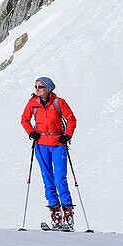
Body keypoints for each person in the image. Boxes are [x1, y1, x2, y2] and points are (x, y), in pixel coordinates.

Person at [20, 76, 77, 229]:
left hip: (58, 144)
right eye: (36, 87)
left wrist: (68, 135)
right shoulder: (32, 104)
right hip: (41, 145)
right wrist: (31, 132)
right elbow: (24, 120)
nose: (37, 90)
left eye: (41, 87)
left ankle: (68, 217)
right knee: (48, 180)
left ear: (48, 88)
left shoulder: (59, 102)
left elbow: (71, 119)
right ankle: (56, 217)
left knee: (60, 179)